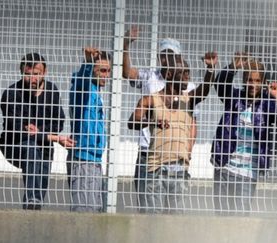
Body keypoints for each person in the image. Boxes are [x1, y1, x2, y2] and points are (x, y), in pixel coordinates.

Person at [128, 52, 217, 213]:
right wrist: (153, 121)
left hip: (179, 171)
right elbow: (133, 121)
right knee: (153, 221)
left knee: (175, 224)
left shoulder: (187, 101)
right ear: (169, 74)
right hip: (155, 170)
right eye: (183, 73)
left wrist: (210, 70)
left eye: (188, 73)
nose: (187, 77)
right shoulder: (150, 100)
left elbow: (203, 92)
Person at [123, 26, 198, 212]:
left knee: (174, 212)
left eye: (171, 55)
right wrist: (126, 45)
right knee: (148, 210)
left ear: (179, 59)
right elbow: (127, 73)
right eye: (163, 54)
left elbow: (193, 122)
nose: (166, 58)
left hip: (175, 158)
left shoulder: (188, 87)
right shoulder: (150, 76)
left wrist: (188, 151)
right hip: (148, 153)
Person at [211, 53, 277, 215]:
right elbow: (220, 84)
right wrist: (233, 67)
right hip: (225, 167)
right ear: (244, 81)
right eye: (249, 80)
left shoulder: (267, 104)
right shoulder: (234, 98)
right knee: (221, 216)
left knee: (241, 218)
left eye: (257, 81)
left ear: (262, 83)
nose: (253, 84)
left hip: (248, 172)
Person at [0, 53, 75, 210]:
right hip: (15, 145)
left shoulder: (51, 90)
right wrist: (50, 136)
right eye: (27, 74)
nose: (32, 79)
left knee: (42, 180)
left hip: (45, 146)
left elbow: (58, 122)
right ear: (22, 73)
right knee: (31, 147)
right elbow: (18, 129)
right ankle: (31, 200)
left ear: (44, 72)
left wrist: (39, 131)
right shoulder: (12, 93)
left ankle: (34, 208)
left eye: (36, 74)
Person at [67, 47, 111, 212]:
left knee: (97, 209)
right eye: (102, 71)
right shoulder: (82, 90)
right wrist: (88, 61)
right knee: (85, 211)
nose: (106, 75)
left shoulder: (96, 93)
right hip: (83, 157)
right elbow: (82, 80)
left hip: (95, 159)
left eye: (108, 71)